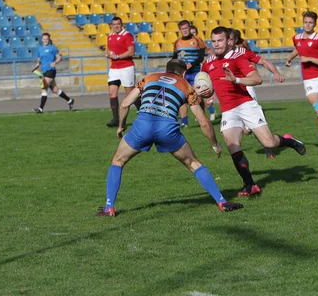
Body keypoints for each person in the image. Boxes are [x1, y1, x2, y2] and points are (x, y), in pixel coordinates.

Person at [96, 59, 242, 217]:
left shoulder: (150, 77)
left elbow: (125, 104)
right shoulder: (186, 86)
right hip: (167, 129)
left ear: (166, 69)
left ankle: (109, 207)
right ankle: (222, 201)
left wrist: (121, 126)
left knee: (118, 161)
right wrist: (214, 144)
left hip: (143, 125)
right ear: (184, 72)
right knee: (193, 163)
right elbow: (204, 123)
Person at [200, 26, 306, 196]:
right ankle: (250, 185)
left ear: (228, 41)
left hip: (245, 105)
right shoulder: (208, 63)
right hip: (228, 110)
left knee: (269, 143)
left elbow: (257, 79)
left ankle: (289, 141)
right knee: (232, 146)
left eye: (220, 40)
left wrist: (235, 79)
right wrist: (207, 95)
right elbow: (206, 83)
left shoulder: (238, 57)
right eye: (214, 41)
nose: (217, 44)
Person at [229, 28, 286, 158]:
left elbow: (263, 62)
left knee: (250, 127)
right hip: (231, 92)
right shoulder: (219, 56)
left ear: (235, 40)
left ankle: (269, 148)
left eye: (231, 39)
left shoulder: (243, 51)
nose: (227, 43)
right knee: (239, 129)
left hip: (246, 87)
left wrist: (276, 73)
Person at [106, 17, 139, 127]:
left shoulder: (127, 35)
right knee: (112, 92)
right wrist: (108, 54)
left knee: (130, 94)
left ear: (121, 24)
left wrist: (117, 56)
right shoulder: (110, 36)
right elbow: (110, 50)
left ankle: (144, 113)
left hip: (126, 67)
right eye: (114, 24)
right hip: (114, 68)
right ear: (111, 25)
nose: (116, 26)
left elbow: (131, 52)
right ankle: (116, 119)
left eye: (118, 24)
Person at [173, 20, 207, 128]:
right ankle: (184, 122)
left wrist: (191, 64)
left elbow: (201, 57)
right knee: (182, 97)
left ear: (189, 28)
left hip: (195, 72)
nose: (185, 30)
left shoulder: (197, 40)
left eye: (186, 28)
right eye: (183, 29)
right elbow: (174, 57)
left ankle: (202, 114)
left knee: (198, 97)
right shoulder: (177, 42)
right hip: (183, 74)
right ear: (180, 30)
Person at [32, 33, 74, 113]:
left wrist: (55, 62)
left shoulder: (52, 48)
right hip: (44, 71)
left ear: (48, 39)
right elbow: (39, 59)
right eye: (44, 39)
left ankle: (40, 109)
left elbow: (59, 57)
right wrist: (38, 63)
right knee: (55, 90)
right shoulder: (40, 49)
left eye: (46, 39)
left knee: (43, 88)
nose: (45, 40)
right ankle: (70, 100)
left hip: (51, 70)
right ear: (42, 39)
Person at [190, 24, 217, 120]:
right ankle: (202, 115)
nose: (192, 35)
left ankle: (212, 112)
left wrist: (215, 59)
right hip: (190, 72)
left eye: (194, 32)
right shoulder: (187, 43)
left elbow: (209, 50)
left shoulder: (199, 41)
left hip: (199, 71)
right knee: (197, 96)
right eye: (191, 33)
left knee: (204, 93)